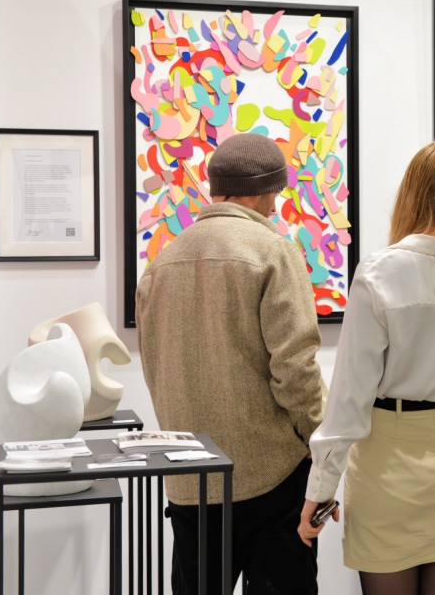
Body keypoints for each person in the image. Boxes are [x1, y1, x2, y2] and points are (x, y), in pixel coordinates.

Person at [297, 140, 435, 595]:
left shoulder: (379, 274)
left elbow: (350, 398)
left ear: (410, 195)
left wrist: (320, 489)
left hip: (388, 464)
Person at [136, 132, 326, 594]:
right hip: (271, 477)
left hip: (191, 479)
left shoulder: (162, 263)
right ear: (266, 191)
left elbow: (155, 368)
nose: (276, 205)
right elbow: (296, 369)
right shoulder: (272, 251)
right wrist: (317, 439)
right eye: (276, 192)